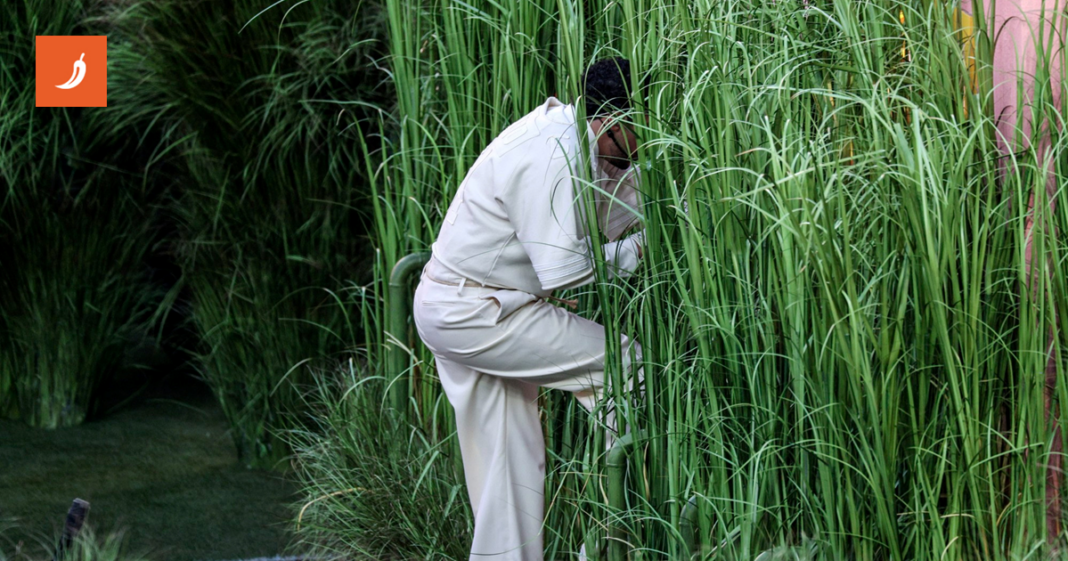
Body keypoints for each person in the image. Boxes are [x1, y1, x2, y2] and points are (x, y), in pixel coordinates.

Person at [412, 57, 647, 560]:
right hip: (473, 310)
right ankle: (609, 542)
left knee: (509, 470)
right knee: (623, 363)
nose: (647, 136)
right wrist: (644, 248)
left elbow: (612, 206)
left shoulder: (584, 141)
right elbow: (567, 271)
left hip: (463, 302)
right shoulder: (554, 151)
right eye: (641, 124)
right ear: (610, 122)